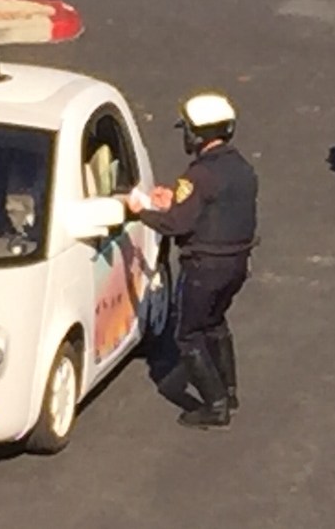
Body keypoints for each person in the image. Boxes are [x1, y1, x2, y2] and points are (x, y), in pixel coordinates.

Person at [126, 91, 258, 430]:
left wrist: (141, 212)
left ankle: (215, 405)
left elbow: (176, 225)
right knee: (215, 323)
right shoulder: (242, 168)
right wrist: (174, 201)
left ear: (197, 134)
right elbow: (214, 210)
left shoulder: (198, 175)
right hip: (236, 264)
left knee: (188, 334)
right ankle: (229, 391)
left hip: (204, 267)